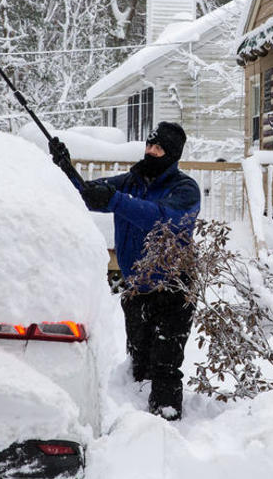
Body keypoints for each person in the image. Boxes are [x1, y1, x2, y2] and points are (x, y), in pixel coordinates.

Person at [48, 121, 200, 421]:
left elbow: (162, 219)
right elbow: (89, 193)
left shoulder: (185, 189)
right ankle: (137, 427)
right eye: (149, 144)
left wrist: (115, 200)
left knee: (165, 366)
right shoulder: (131, 182)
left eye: (159, 148)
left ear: (172, 154)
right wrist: (66, 169)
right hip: (136, 290)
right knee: (139, 365)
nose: (151, 151)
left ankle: (166, 425)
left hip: (173, 290)